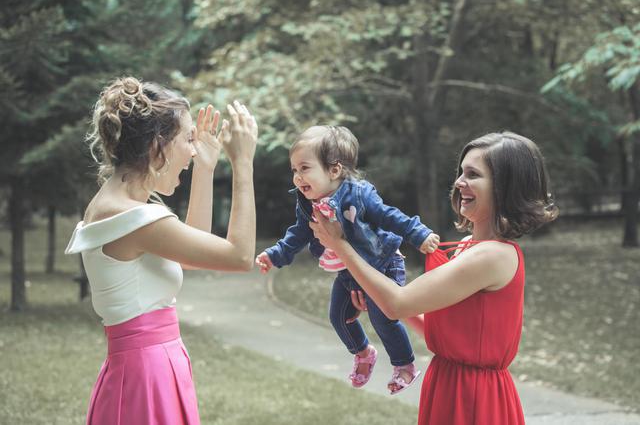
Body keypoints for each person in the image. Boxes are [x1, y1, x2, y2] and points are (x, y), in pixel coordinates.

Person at [310, 132, 558, 424]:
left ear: (504, 187)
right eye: (461, 172)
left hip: (474, 397)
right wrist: (377, 297)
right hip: (447, 382)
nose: (459, 182)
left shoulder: (494, 255)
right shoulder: (467, 246)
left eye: (473, 174)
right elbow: (436, 328)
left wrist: (340, 245)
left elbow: (398, 303)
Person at [65, 77, 257, 425]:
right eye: (188, 139)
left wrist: (205, 169)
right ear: (158, 145)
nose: (193, 151)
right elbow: (240, 256)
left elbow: (192, 254)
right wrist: (243, 163)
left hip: (148, 368)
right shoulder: (133, 218)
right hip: (146, 377)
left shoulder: (118, 207)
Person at [255, 125, 440, 394]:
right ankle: (363, 352)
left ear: (334, 170)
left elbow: (389, 216)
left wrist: (418, 233)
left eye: (304, 168)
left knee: (382, 317)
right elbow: (299, 233)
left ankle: (404, 365)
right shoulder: (306, 202)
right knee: (338, 316)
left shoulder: (359, 194)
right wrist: (276, 254)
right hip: (348, 272)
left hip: (382, 265)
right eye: (294, 170)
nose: (297, 177)